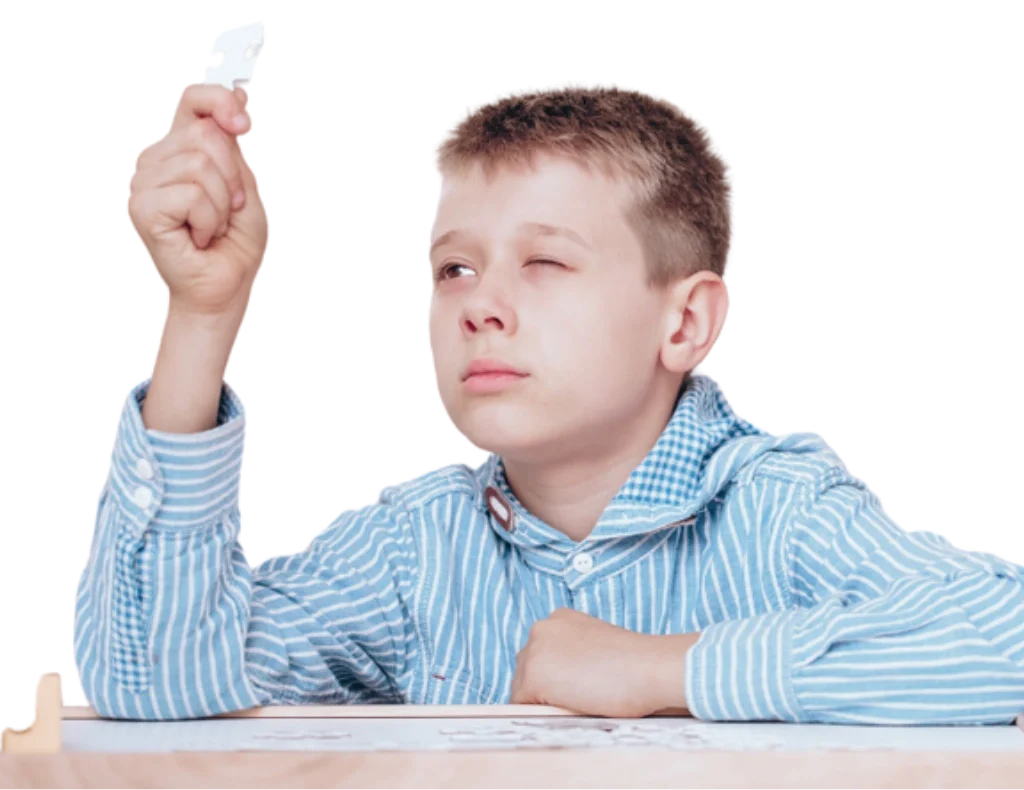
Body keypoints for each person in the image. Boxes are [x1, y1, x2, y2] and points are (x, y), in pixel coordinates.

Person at [75, 81, 1024, 725]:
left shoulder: (781, 511)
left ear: (686, 322)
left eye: (544, 262)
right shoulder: (409, 548)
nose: (479, 305)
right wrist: (201, 316)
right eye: (454, 268)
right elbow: (146, 680)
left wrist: (661, 668)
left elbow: (1007, 637)